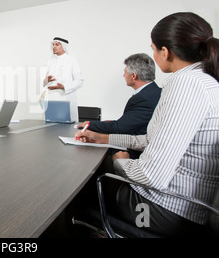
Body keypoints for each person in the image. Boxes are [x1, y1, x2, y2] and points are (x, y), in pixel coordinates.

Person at [75, 12, 219, 237]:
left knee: (79, 190)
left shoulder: (186, 84)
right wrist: (102, 138)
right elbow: (151, 141)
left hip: (163, 212)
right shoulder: (205, 81)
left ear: (165, 51)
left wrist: (119, 162)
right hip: (186, 207)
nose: (153, 54)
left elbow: (151, 176)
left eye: (153, 48)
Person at [77, 53, 161, 159]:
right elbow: (134, 122)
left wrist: (90, 124)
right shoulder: (154, 92)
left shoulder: (144, 98)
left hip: (137, 151)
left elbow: (120, 128)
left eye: (125, 72)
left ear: (134, 76)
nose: (123, 75)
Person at [43, 37, 83, 122]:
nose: (54, 46)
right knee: (50, 129)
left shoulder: (72, 61)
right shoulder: (50, 62)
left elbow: (79, 81)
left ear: (64, 46)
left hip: (66, 98)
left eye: (57, 44)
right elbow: (43, 82)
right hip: (51, 99)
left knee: (67, 129)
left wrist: (63, 86)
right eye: (53, 45)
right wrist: (47, 80)